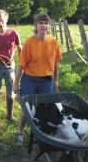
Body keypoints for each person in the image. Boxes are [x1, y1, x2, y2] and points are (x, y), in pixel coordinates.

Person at [12, 13, 63, 144]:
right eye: (41, 23)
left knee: (47, 107)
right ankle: (20, 131)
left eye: (46, 23)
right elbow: (21, 66)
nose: (43, 25)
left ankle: (43, 132)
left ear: (49, 26)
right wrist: (15, 83)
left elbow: (56, 63)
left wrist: (56, 79)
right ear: (36, 25)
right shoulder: (29, 43)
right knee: (26, 107)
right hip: (30, 79)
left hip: (47, 80)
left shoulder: (53, 41)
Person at [0, 9, 22, 122]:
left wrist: (22, 63)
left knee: (11, 92)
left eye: (2, 19)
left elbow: (19, 47)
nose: (0, 21)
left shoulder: (14, 33)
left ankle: (10, 115)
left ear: (7, 19)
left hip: (9, 67)